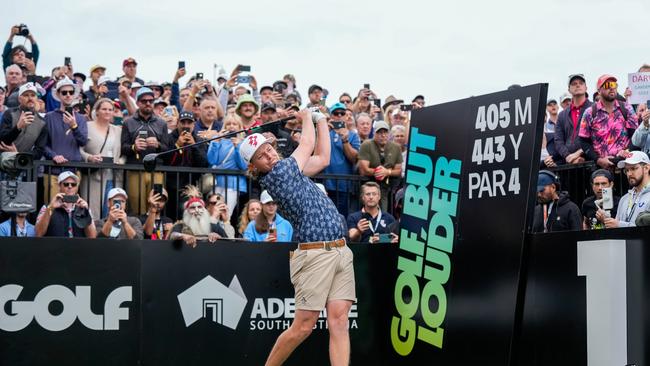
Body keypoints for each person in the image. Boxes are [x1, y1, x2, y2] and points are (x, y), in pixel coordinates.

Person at [239, 109, 355, 365]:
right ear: (253, 166)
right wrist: (305, 116)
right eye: (261, 155)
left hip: (339, 250)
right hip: (315, 254)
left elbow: (323, 158)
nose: (269, 154)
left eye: (269, 148)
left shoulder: (292, 170)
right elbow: (307, 143)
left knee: (339, 320)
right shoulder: (278, 175)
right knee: (303, 326)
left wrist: (320, 119)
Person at [120, 87, 170, 214]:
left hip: (157, 170)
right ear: (137, 103)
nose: (148, 103)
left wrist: (157, 145)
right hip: (135, 169)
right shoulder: (128, 122)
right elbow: (123, 148)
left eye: (151, 101)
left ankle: (154, 232)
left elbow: (167, 150)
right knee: (137, 208)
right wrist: (134, 147)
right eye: (144, 101)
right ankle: (139, 232)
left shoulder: (162, 123)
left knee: (157, 205)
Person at [579, 74, 638, 169]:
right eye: (607, 85)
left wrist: (627, 151)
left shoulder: (626, 108)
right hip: (601, 168)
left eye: (614, 85)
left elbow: (635, 136)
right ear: (599, 91)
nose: (611, 88)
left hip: (625, 164)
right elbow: (583, 141)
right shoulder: (589, 112)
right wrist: (598, 160)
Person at [44, 77, 88, 200]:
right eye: (64, 92)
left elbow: (83, 141)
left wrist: (74, 126)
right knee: (52, 209)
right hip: (53, 172)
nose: (68, 95)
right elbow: (42, 144)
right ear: (58, 94)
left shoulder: (81, 118)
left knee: (72, 209)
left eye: (71, 92)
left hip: (74, 172)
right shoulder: (49, 117)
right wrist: (54, 156)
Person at [80, 98, 124, 220]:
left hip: (114, 177)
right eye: (104, 109)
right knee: (92, 212)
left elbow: (125, 152)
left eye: (110, 110)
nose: (107, 112)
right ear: (97, 111)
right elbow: (78, 149)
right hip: (94, 177)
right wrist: (90, 158)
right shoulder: (87, 126)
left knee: (112, 212)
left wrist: (120, 162)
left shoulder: (118, 130)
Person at [164, 110, 208, 218]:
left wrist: (194, 146)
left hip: (192, 183)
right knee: (171, 212)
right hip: (172, 182)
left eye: (189, 123)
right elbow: (166, 160)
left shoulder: (199, 140)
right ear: (178, 123)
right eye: (183, 122)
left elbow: (203, 163)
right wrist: (177, 146)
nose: (186, 126)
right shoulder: (169, 138)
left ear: (194, 124)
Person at [206, 114, 248, 217]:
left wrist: (238, 147)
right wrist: (215, 141)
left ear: (239, 127)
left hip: (233, 185)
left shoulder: (243, 142)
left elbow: (243, 166)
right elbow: (211, 160)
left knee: (226, 214)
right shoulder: (218, 140)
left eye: (235, 124)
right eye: (228, 124)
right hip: (216, 183)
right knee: (213, 213)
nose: (231, 126)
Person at [34, 171, 97, 238]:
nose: (70, 186)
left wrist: (85, 212)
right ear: (59, 186)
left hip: (78, 247)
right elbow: (38, 233)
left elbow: (92, 237)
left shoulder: (83, 207)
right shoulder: (47, 207)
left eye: (73, 184)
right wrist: (51, 208)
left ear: (77, 188)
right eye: (66, 184)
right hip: (55, 247)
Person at [324, 102, 360, 217]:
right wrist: (325, 129)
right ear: (331, 116)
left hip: (344, 185)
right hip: (326, 185)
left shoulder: (353, 135)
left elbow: (354, 158)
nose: (339, 116)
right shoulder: (324, 133)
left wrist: (345, 140)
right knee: (326, 217)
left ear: (346, 116)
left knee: (341, 218)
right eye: (335, 113)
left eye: (342, 113)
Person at [358, 121, 403, 211]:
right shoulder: (367, 144)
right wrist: (380, 172)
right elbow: (364, 170)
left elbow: (398, 171)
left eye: (385, 132)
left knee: (385, 212)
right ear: (374, 133)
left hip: (387, 188)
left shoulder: (396, 147)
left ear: (389, 134)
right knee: (367, 211)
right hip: (368, 185)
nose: (383, 135)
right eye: (380, 132)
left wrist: (387, 172)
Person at [598, 151, 650, 228]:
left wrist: (619, 225)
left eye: (633, 168)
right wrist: (607, 221)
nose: (629, 174)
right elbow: (617, 230)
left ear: (646, 168)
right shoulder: (624, 198)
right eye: (627, 170)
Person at [0, 82, 47, 158]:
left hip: (26, 165)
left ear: (37, 98)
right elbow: (3, 140)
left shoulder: (42, 122)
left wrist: (19, 155)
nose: (30, 98)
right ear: (19, 99)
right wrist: (18, 127)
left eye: (33, 95)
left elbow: (39, 150)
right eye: (26, 95)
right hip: (5, 161)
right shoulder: (9, 114)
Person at [554, 74, 593, 165]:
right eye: (574, 83)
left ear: (586, 87)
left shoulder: (595, 108)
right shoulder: (562, 115)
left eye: (581, 83)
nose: (577, 85)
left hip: (591, 161)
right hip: (568, 164)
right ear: (569, 90)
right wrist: (568, 156)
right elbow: (558, 140)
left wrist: (579, 153)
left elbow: (597, 137)